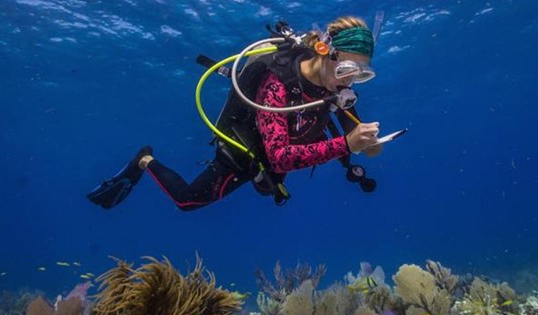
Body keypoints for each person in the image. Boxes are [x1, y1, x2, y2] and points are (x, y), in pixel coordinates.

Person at [88, 16, 382, 211]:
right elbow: (281, 155)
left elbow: (354, 133)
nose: (350, 80)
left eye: (361, 74)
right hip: (244, 149)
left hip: (276, 156)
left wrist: (370, 144)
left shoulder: (338, 88)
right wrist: (347, 145)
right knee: (187, 201)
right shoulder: (278, 83)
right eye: (346, 70)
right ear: (323, 51)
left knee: (268, 189)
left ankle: (261, 180)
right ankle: (144, 159)